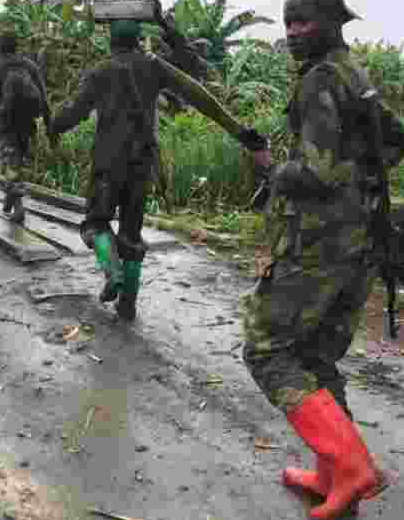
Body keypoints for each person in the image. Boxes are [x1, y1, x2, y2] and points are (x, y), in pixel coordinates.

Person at [241, 0, 404, 520]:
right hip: (361, 240)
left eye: (304, 23)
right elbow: (398, 142)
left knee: (267, 350)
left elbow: (315, 172)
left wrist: (270, 167)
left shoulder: (320, 80)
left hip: (315, 245)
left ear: (333, 23)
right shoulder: (352, 74)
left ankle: (352, 465)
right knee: (315, 356)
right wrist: (357, 187)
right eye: (288, 22)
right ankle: (333, 474)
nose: (294, 32)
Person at [49, 18, 270, 321]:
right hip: (142, 162)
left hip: (107, 162)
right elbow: (199, 96)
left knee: (94, 225)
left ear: (111, 43)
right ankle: (128, 303)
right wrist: (240, 131)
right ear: (139, 40)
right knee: (131, 234)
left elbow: (75, 111)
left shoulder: (100, 72)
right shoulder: (154, 67)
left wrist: (54, 127)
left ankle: (112, 271)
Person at [0, 31, 52, 222]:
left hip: (6, 124)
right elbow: (44, 97)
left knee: (10, 166)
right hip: (27, 123)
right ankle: (8, 202)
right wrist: (48, 123)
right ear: (17, 46)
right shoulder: (30, 66)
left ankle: (18, 208)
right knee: (17, 163)